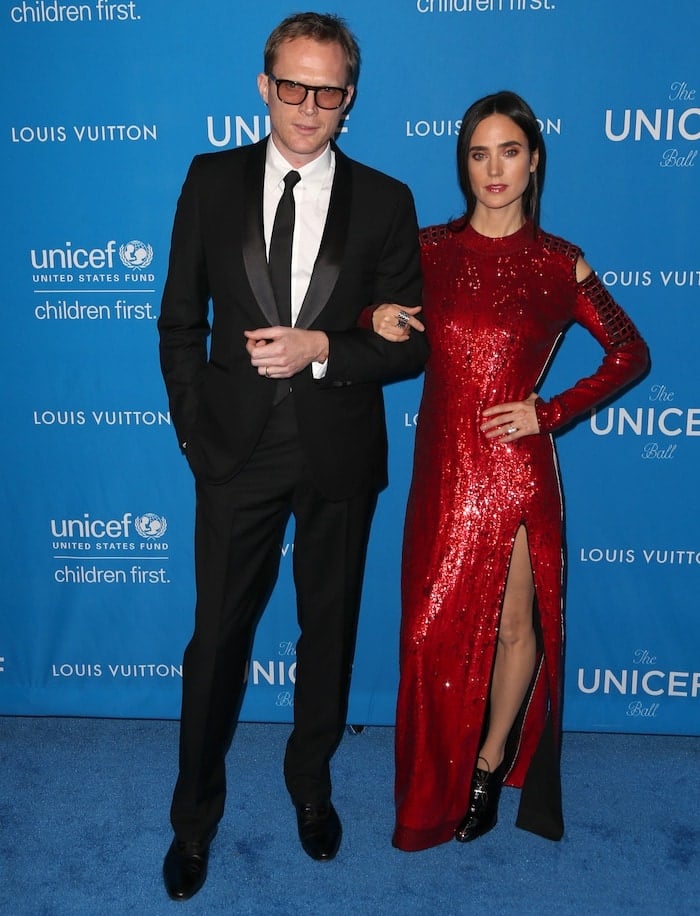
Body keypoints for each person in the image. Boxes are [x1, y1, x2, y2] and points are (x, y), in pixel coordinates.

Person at [157, 11, 428, 900]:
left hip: (339, 453)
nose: (309, 107)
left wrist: (320, 346)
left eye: (329, 91)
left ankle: (310, 789)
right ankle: (193, 817)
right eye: (293, 86)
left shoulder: (387, 201)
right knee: (216, 644)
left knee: (330, 636)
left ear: (350, 98)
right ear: (263, 85)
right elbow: (179, 322)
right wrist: (198, 434)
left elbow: (406, 345)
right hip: (232, 454)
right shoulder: (210, 179)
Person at [371, 90, 649, 852]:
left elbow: (630, 351)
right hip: (441, 471)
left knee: (516, 625)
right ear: (462, 162)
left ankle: (490, 764)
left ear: (534, 161)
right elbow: (366, 309)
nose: (494, 169)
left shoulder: (560, 261)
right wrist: (375, 319)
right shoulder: (426, 247)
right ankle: (431, 786)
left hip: (515, 471)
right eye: (478, 152)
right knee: (427, 633)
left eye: (510, 151)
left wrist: (548, 412)